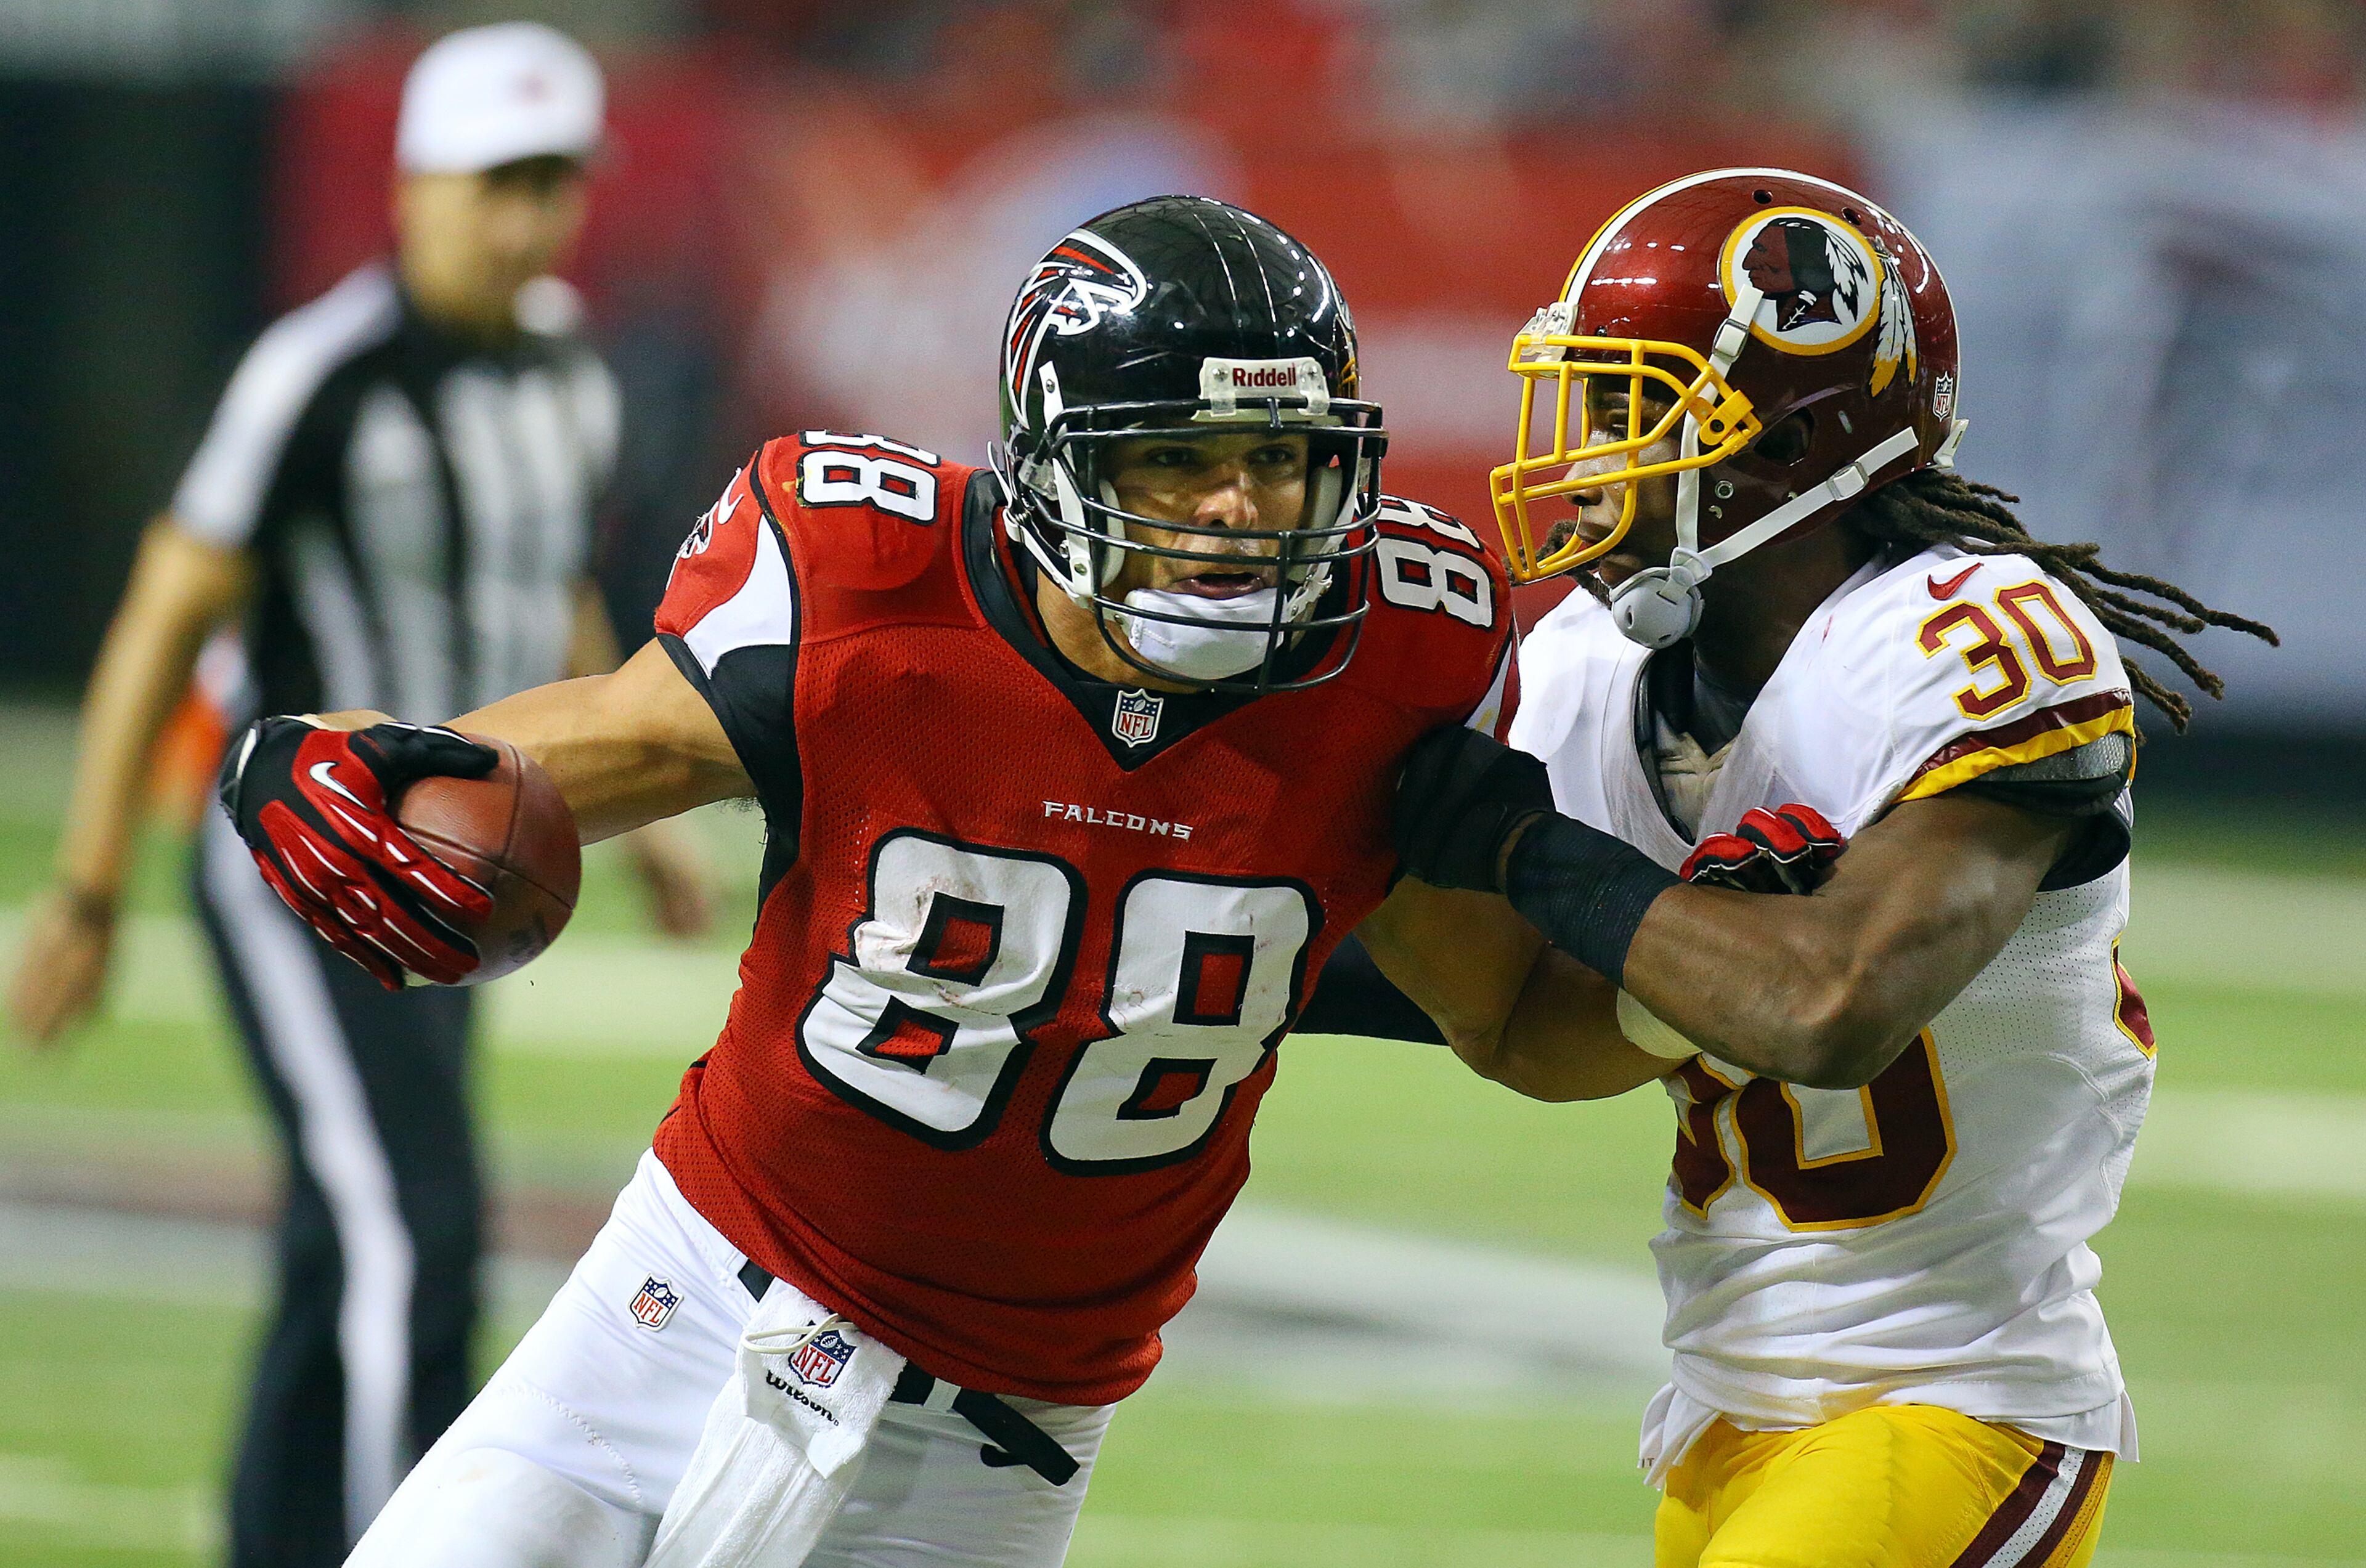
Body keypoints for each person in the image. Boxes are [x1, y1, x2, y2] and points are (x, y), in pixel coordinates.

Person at [206, 195, 1594, 1566]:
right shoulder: (869, 589)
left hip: (992, 1455)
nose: (1243, 511)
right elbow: (572, 752)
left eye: (1281, 455)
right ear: (1059, 465)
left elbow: (1516, 1019)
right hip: (675, 1317)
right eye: (1179, 457)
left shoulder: (1395, 665)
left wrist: (1718, 976)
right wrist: (310, 762)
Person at [1374, 168, 2279, 1567]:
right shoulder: (1588, 672)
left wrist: (1521, 849)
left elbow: (1830, 1009)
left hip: (1956, 1404)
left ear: (1791, 443)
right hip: (1729, 1410)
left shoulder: (1966, 641)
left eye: (1634, 410)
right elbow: (1529, 1036)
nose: (1591, 453)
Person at [5, 23, 710, 1566]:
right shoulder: (313, 372)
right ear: (414, 187)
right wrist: (86, 884)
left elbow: (558, 594)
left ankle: (272, 1539)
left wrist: (640, 818)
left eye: (553, 183)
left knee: (351, 1237)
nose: (525, 220)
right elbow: (165, 608)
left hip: (456, 860)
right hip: (301, 857)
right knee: (420, 1225)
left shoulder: (569, 367)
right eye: (495, 183)